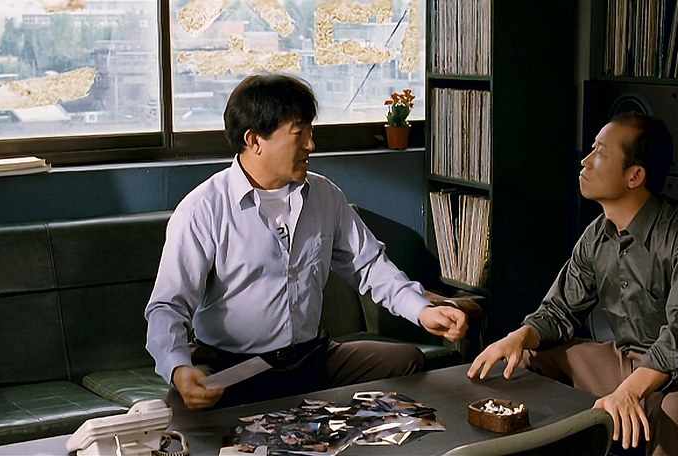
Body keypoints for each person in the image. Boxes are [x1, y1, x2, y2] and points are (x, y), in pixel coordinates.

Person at [145, 73, 467, 410]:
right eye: (299, 133)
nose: (311, 145)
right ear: (255, 140)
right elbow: (168, 306)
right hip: (234, 368)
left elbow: (369, 265)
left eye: (311, 132)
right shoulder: (204, 209)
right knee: (181, 409)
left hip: (309, 358)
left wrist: (423, 311)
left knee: (407, 360)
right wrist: (179, 369)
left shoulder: (325, 195)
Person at [467, 112, 678, 456]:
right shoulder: (597, 236)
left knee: (671, 408)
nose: (585, 161)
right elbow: (559, 311)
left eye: (600, 153)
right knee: (525, 357)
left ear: (635, 176)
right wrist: (519, 337)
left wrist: (630, 390)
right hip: (625, 362)